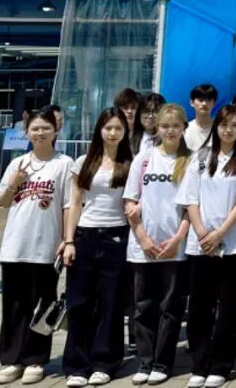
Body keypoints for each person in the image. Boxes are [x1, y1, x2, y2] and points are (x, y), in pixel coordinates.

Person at [0, 110, 74, 386]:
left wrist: (66, 239)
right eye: (35, 129)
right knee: (14, 305)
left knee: (43, 305)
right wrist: (15, 182)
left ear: (55, 131)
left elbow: (68, 204)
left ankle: (36, 359)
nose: (40, 133)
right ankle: (12, 359)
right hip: (16, 245)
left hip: (46, 246)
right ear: (27, 132)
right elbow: (3, 201)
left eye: (45, 128)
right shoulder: (17, 163)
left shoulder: (64, 163)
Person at [179, 104, 236, 388]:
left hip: (233, 243)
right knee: (200, 305)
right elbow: (191, 198)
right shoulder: (201, 158)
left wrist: (220, 233)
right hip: (201, 244)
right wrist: (202, 233)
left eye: (235, 125)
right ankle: (200, 364)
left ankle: (221, 364)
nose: (228, 130)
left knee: (229, 306)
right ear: (216, 127)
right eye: (224, 124)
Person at [61, 108, 134, 387]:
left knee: (110, 303)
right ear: (99, 130)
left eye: (118, 128)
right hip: (85, 236)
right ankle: (77, 364)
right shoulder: (84, 161)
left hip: (116, 237)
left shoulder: (131, 162)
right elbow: (75, 203)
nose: (113, 133)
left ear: (125, 132)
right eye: (108, 128)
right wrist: (69, 240)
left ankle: (105, 362)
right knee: (79, 302)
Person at [125, 103, 192, 386]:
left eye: (175, 126)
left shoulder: (191, 161)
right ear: (157, 128)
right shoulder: (144, 159)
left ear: (184, 128)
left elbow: (192, 207)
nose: (170, 131)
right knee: (143, 307)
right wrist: (143, 237)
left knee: (170, 308)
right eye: (165, 126)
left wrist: (177, 239)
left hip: (175, 247)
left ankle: (163, 363)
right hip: (143, 246)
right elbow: (130, 200)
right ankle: (145, 361)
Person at [185, 84, 219, 153]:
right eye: (200, 100)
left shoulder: (219, 129)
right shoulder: (185, 130)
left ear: (214, 103)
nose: (204, 103)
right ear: (192, 102)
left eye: (208, 100)